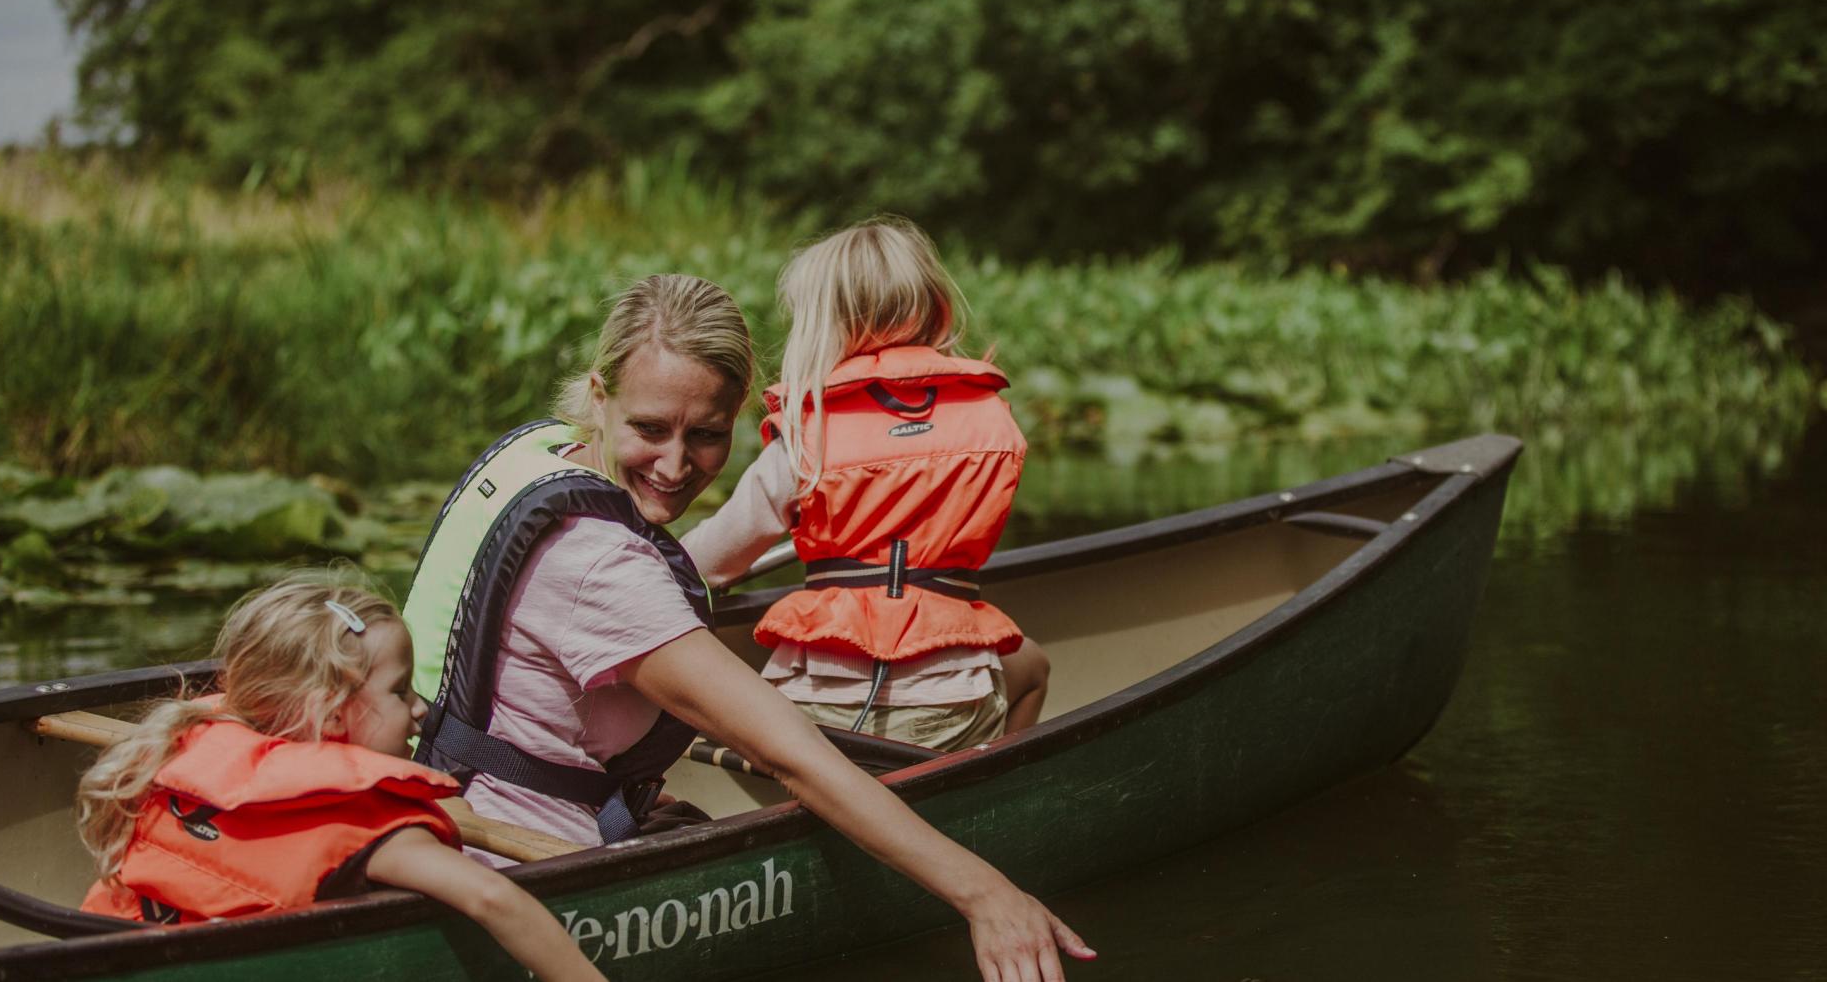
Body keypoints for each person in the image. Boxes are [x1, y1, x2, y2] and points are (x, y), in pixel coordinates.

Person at [403, 273, 1092, 981]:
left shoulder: (535, 453)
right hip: (528, 867)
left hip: (442, 798)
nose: (674, 465)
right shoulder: (600, 563)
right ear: (600, 395)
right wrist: (986, 893)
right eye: (650, 429)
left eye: (706, 435)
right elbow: (792, 752)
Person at [75, 574, 603, 982]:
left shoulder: (191, 758)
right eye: (399, 692)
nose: (421, 709)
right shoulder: (371, 827)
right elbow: (494, 899)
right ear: (330, 716)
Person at [683, 217, 1051, 751]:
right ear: (935, 305)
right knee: (1033, 666)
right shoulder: (990, 421)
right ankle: (986, 784)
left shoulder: (805, 439)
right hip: (951, 703)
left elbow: (712, 560)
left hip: (816, 708)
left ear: (822, 324)